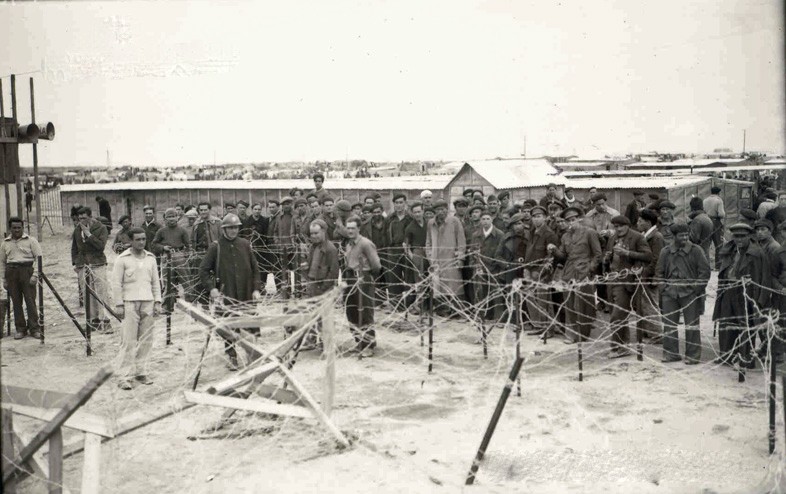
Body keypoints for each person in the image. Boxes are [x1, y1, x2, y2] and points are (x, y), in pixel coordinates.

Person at [199, 214, 262, 370]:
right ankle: (232, 356)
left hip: (246, 293)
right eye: (230, 228)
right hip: (227, 293)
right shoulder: (216, 247)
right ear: (224, 229)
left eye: (236, 227)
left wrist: (256, 289)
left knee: (249, 324)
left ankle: (251, 355)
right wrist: (212, 288)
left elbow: (255, 269)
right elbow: (203, 270)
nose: (233, 230)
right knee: (227, 326)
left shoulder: (245, 244)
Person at [713, 223, 772, 367]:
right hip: (728, 290)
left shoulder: (757, 253)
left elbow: (765, 278)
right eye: (736, 236)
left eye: (742, 236)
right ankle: (727, 356)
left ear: (749, 236)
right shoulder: (729, 250)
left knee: (745, 325)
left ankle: (745, 359)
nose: (739, 239)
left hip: (747, 293)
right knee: (726, 322)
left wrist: (760, 300)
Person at [112, 227, 162, 389]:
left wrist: (158, 302)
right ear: (131, 241)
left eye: (143, 239)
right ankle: (123, 376)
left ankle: (141, 372)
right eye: (138, 239)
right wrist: (119, 304)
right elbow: (116, 284)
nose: (141, 242)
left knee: (147, 340)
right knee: (128, 341)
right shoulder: (122, 259)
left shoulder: (151, 259)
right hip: (129, 304)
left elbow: (156, 282)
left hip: (147, 302)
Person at [657, 223, 711, 364]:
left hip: (690, 293)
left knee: (692, 325)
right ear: (674, 236)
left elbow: (704, 272)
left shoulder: (696, 250)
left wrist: (695, 289)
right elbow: (659, 272)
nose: (685, 238)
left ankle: (692, 356)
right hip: (670, 293)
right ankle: (671, 354)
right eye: (681, 235)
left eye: (687, 235)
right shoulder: (665, 251)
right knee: (669, 325)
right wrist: (663, 288)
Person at [548, 207, 602, 344]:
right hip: (569, 272)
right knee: (569, 304)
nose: (571, 223)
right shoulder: (565, 236)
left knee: (583, 304)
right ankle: (572, 334)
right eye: (568, 221)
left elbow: (597, 254)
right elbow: (563, 256)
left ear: (579, 219)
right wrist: (554, 250)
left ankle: (583, 335)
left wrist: (590, 269)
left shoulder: (590, 233)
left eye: (573, 220)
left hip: (584, 271)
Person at [604, 215, 652, 358]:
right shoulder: (613, 238)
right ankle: (623, 346)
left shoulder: (637, 237)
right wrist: (607, 257)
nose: (617, 229)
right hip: (613, 279)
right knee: (617, 313)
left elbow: (648, 256)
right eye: (615, 227)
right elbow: (609, 256)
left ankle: (617, 347)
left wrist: (627, 253)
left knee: (617, 315)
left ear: (627, 226)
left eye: (620, 226)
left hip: (628, 281)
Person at [342, 215, 382, 357]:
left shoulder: (366, 244)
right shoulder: (348, 244)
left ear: (359, 228)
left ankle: (369, 345)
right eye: (348, 228)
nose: (350, 231)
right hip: (350, 278)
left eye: (353, 228)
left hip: (363, 278)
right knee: (351, 311)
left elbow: (376, 265)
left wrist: (367, 278)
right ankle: (359, 341)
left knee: (365, 312)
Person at [299, 219, 339, 350]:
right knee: (311, 315)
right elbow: (312, 265)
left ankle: (327, 343)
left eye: (316, 233)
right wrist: (306, 267)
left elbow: (333, 272)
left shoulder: (330, 249)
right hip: (312, 286)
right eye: (311, 233)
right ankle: (311, 340)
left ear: (324, 231)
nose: (313, 236)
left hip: (323, 288)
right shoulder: (313, 247)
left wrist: (323, 288)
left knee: (325, 317)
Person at [0, 217, 42, 339]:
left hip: (27, 271)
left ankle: (34, 328)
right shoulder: (5, 243)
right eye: (14, 228)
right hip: (11, 272)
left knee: (30, 301)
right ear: (10, 228)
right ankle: (20, 329)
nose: (17, 230)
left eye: (19, 227)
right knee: (16, 302)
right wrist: (4, 279)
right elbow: (2, 262)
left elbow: (39, 258)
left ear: (23, 228)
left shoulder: (31, 240)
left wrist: (35, 275)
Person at [71, 206, 111, 333]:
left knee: (101, 292)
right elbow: (74, 247)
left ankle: (106, 321)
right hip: (83, 265)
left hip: (98, 263)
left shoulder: (101, 228)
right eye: (79, 217)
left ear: (90, 216)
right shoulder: (77, 229)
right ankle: (93, 321)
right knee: (87, 293)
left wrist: (89, 234)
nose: (81, 220)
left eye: (84, 217)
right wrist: (75, 263)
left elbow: (100, 246)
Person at [522, 206, 558, 337]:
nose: (536, 219)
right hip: (530, 271)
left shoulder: (549, 234)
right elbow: (529, 252)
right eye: (534, 217)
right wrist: (526, 268)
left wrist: (541, 271)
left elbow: (551, 257)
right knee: (531, 299)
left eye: (539, 216)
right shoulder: (532, 232)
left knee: (544, 301)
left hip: (542, 273)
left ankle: (548, 329)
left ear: (545, 217)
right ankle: (538, 325)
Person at [426, 199, 467, 316]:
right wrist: (430, 258)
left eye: (443, 209)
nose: (441, 212)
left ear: (447, 210)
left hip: (451, 259)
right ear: (435, 211)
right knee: (439, 286)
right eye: (438, 209)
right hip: (436, 261)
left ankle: (457, 311)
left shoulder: (455, 221)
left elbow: (461, 241)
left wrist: (460, 258)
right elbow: (428, 242)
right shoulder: (431, 223)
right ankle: (442, 311)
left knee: (454, 285)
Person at [151, 208, 191, 309]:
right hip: (166, 257)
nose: (171, 219)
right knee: (168, 282)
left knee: (186, 281)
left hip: (180, 257)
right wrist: (163, 248)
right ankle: (167, 306)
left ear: (177, 217)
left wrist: (184, 254)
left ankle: (190, 306)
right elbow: (154, 244)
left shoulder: (182, 230)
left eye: (173, 216)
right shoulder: (161, 231)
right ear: (165, 219)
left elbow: (189, 245)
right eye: (169, 217)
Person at [635, 209, 664, 341]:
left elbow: (656, 259)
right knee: (644, 303)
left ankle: (656, 333)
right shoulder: (645, 235)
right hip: (644, 275)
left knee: (651, 304)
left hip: (649, 276)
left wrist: (649, 274)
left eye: (640, 221)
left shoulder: (656, 237)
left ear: (648, 222)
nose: (637, 223)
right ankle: (648, 330)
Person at [386, 193, 411, 309]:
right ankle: (395, 305)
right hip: (393, 250)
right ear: (394, 204)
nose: (399, 205)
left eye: (401, 202)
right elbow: (384, 235)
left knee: (409, 277)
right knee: (393, 277)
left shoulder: (410, 218)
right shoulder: (390, 219)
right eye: (397, 203)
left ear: (405, 203)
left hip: (407, 250)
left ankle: (410, 304)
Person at [403, 201, 428, 313]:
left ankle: (429, 305)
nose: (417, 214)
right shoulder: (410, 227)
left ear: (423, 211)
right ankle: (419, 305)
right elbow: (406, 245)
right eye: (415, 212)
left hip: (429, 251)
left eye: (419, 211)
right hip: (417, 253)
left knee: (430, 278)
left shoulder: (429, 224)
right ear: (412, 214)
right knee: (419, 279)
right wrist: (412, 257)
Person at [704, 186, 725, 269]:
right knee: (718, 244)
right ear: (719, 193)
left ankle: (705, 265)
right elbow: (721, 214)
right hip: (715, 222)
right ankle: (718, 265)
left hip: (706, 220)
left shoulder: (705, 200)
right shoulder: (719, 201)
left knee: (706, 244)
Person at [688, 196, 714, 262]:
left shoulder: (697, 220)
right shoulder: (707, 218)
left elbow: (693, 239)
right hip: (705, 252)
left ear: (692, 208)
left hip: (698, 255)